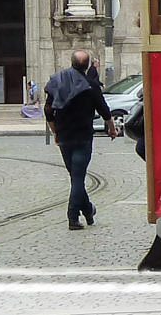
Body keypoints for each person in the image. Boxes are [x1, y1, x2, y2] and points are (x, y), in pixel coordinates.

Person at [44, 51, 107, 230]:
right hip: (83, 136)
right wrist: (110, 126)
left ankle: (87, 210)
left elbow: (48, 110)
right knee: (78, 177)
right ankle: (73, 216)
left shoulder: (57, 81)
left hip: (64, 136)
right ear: (87, 66)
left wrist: (54, 130)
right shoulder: (91, 85)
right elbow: (103, 108)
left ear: (71, 63)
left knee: (76, 177)